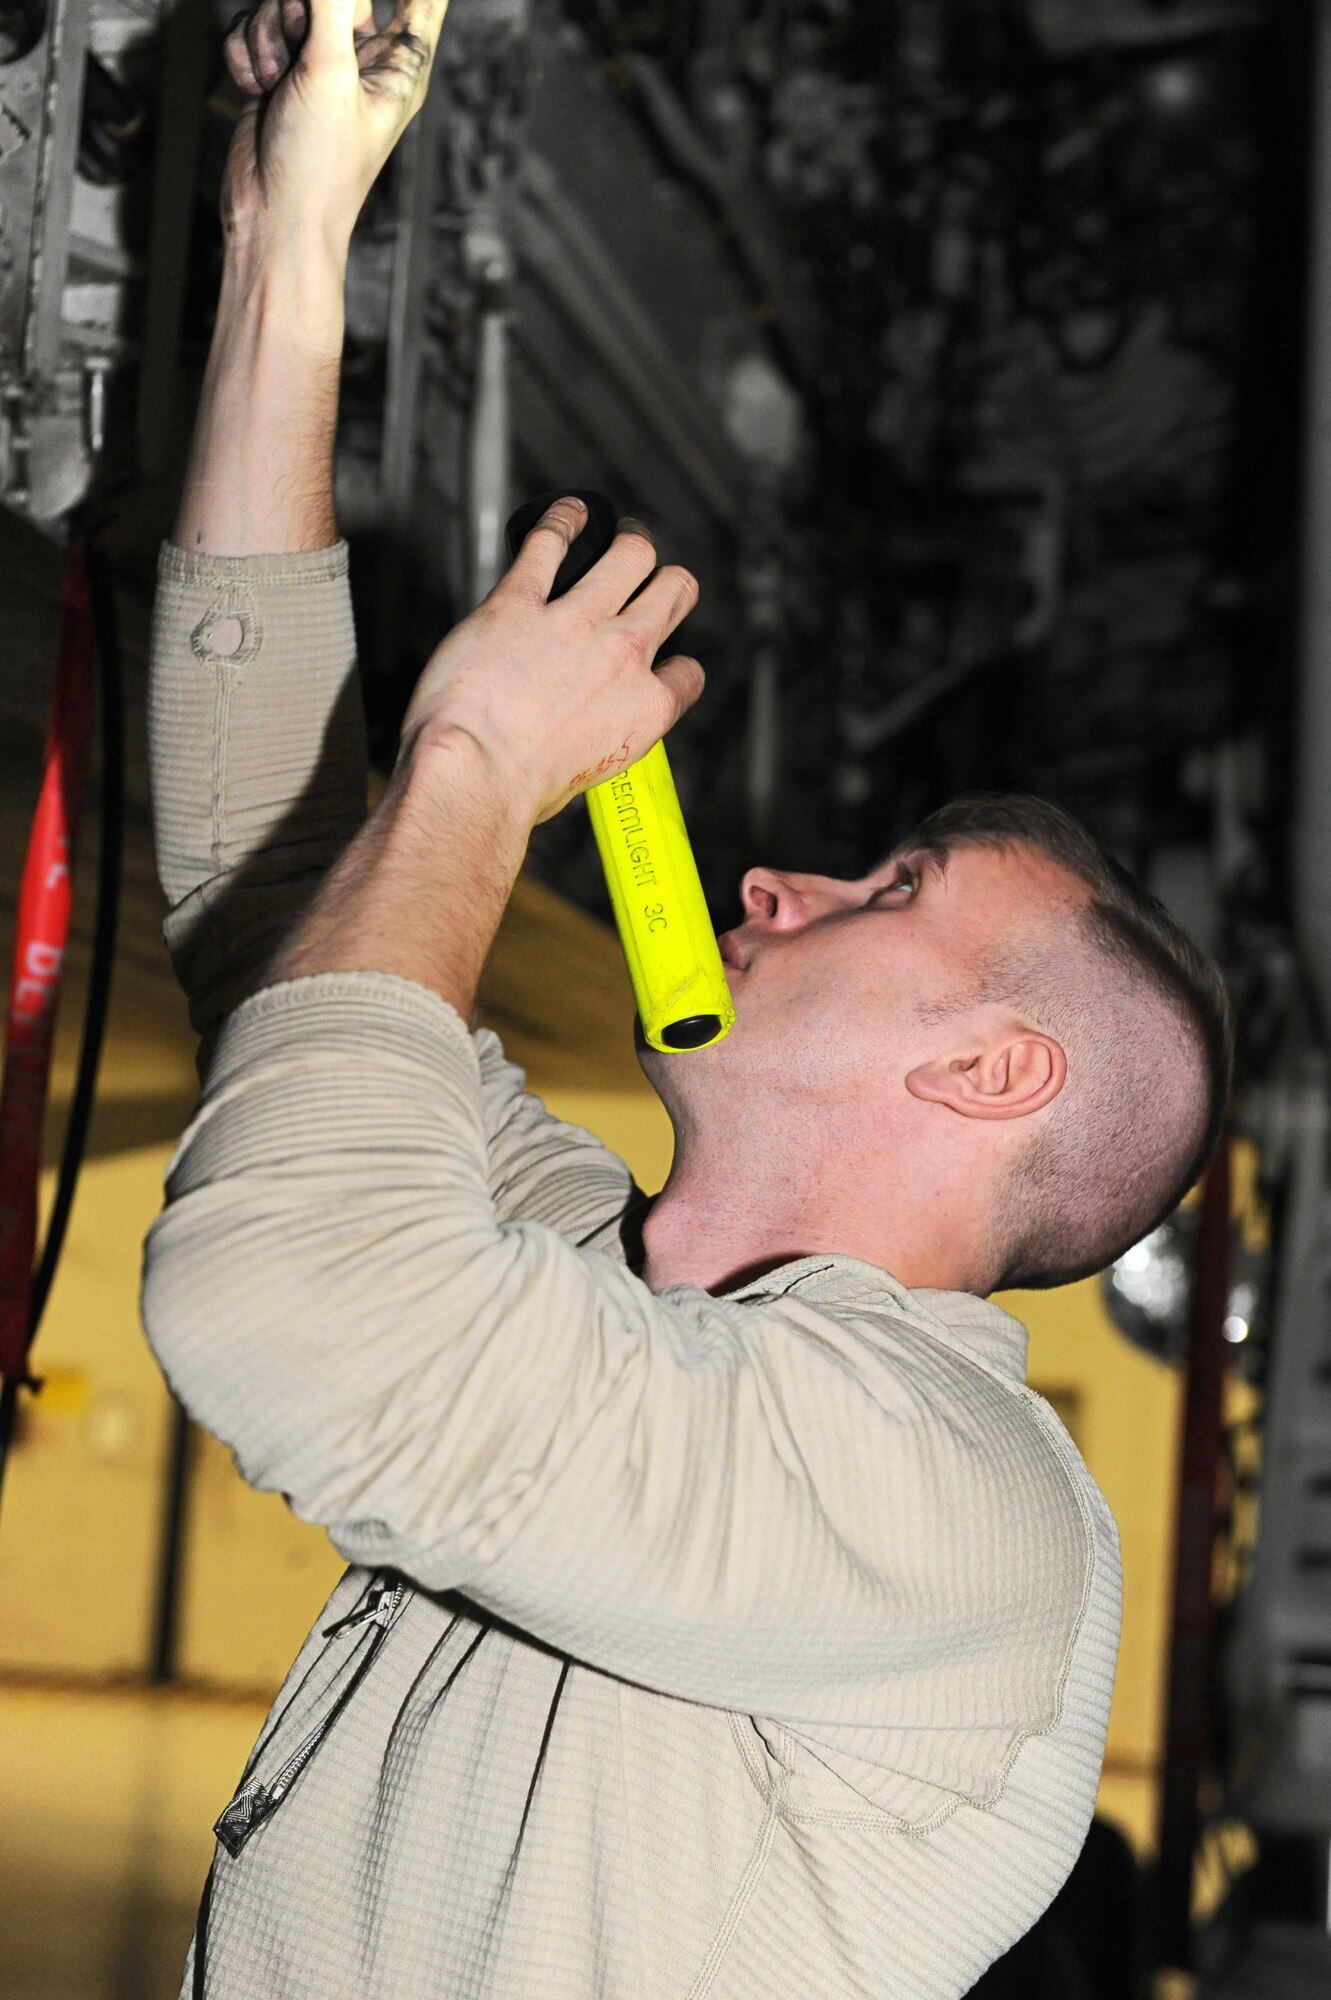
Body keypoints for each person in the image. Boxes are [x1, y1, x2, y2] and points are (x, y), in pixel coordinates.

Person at [140, 1, 1233, 1994]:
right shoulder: (630, 1284)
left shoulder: (961, 1514)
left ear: (997, 1065)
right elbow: (278, 913)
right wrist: (287, 238)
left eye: (885, 891)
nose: (773, 885)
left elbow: (286, 1292)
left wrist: (474, 771)